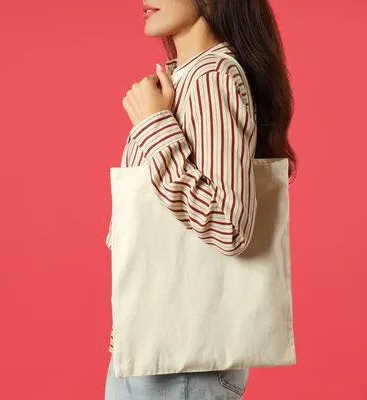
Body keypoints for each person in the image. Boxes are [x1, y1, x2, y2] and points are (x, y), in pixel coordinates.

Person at [104, 0, 297, 398]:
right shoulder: (186, 78)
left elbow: (230, 223)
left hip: (183, 362)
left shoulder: (213, 76)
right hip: (151, 351)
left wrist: (154, 125)